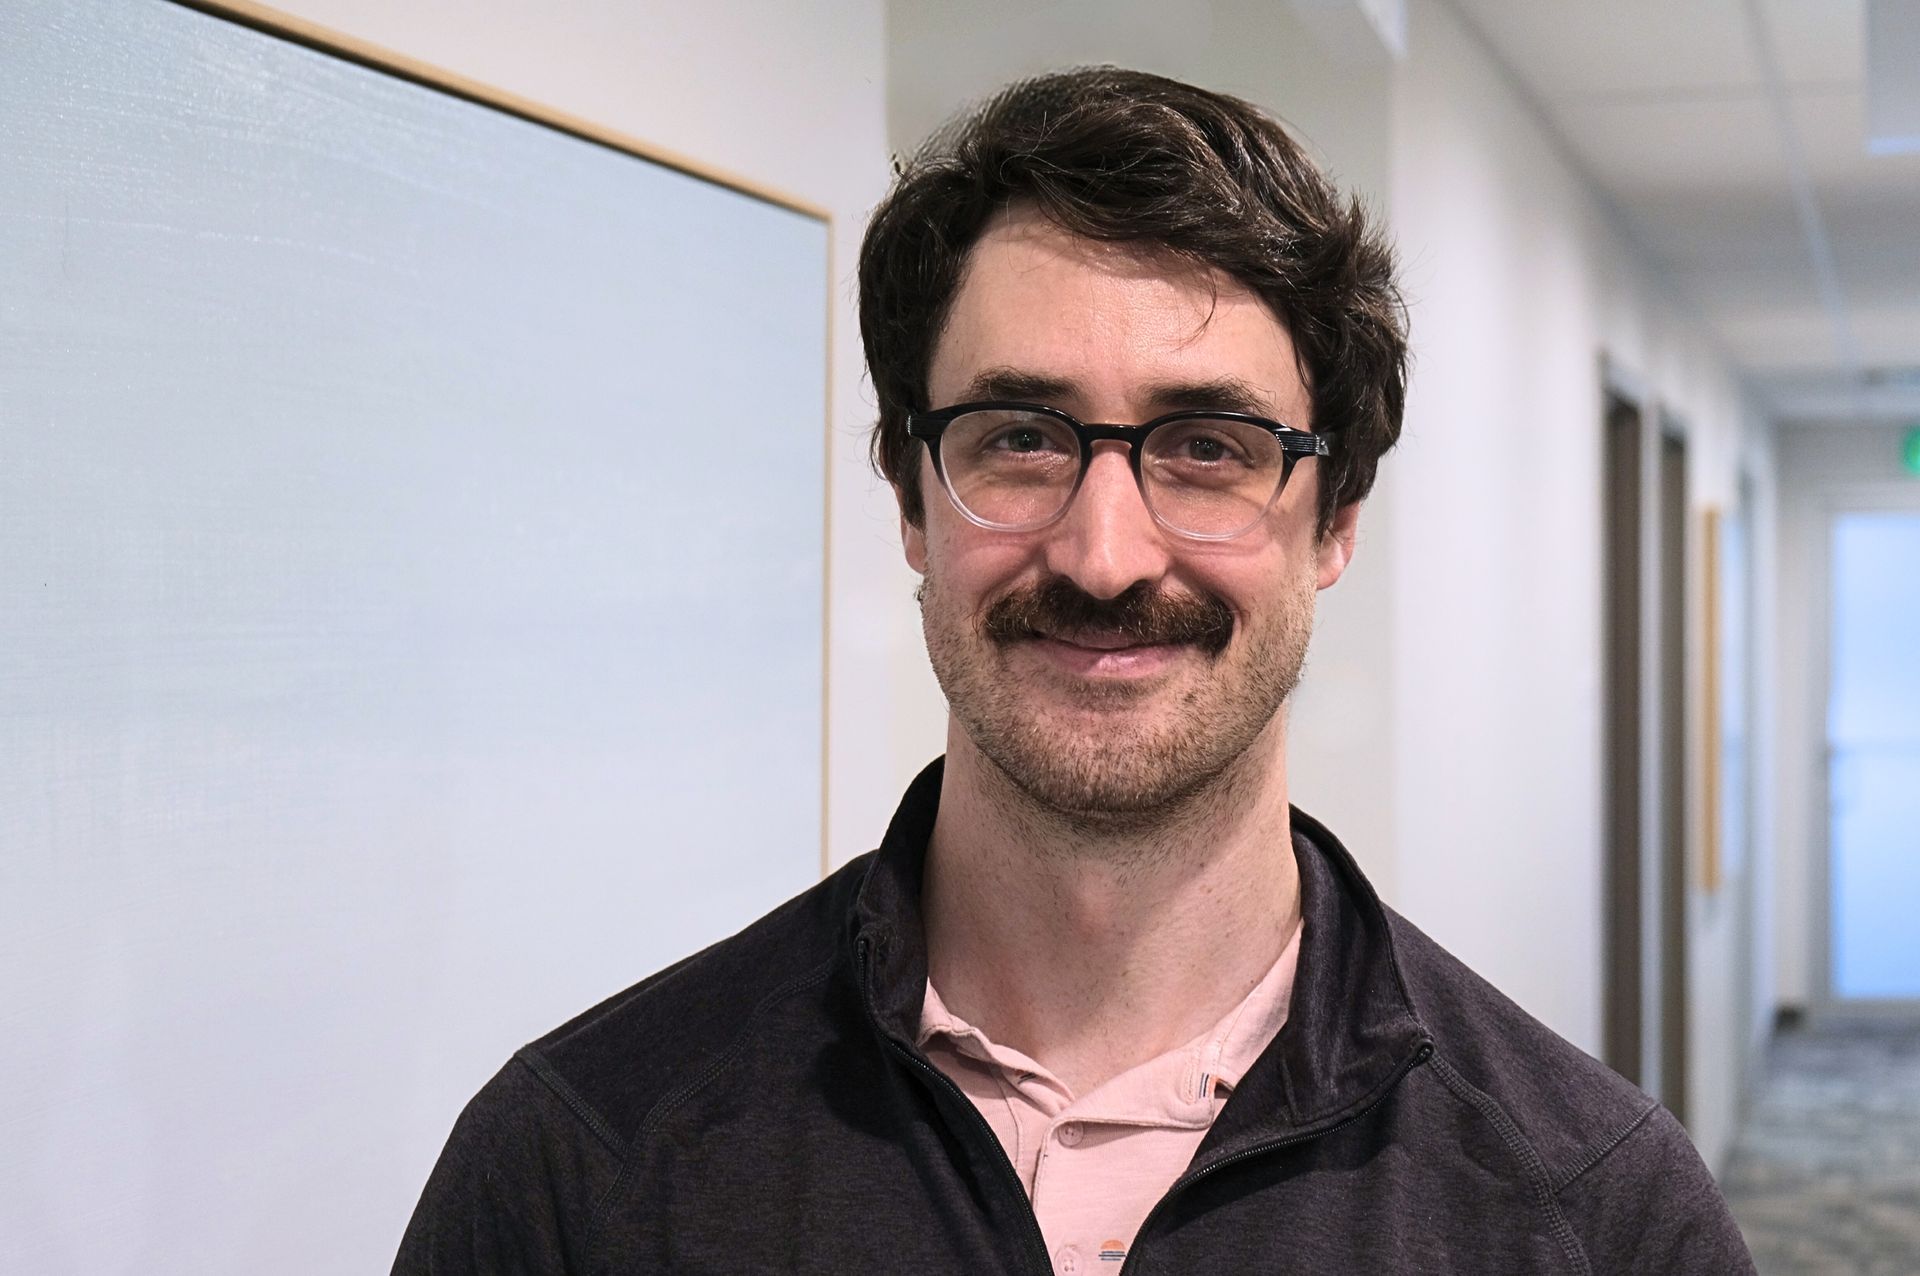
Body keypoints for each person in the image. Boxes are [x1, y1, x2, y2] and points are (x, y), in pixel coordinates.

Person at [394, 67, 1756, 1274]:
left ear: (1335, 521)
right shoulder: (582, 1175)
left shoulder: (1591, 1213)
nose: (1105, 555)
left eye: (1209, 448)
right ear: (913, 506)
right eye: (1020, 439)